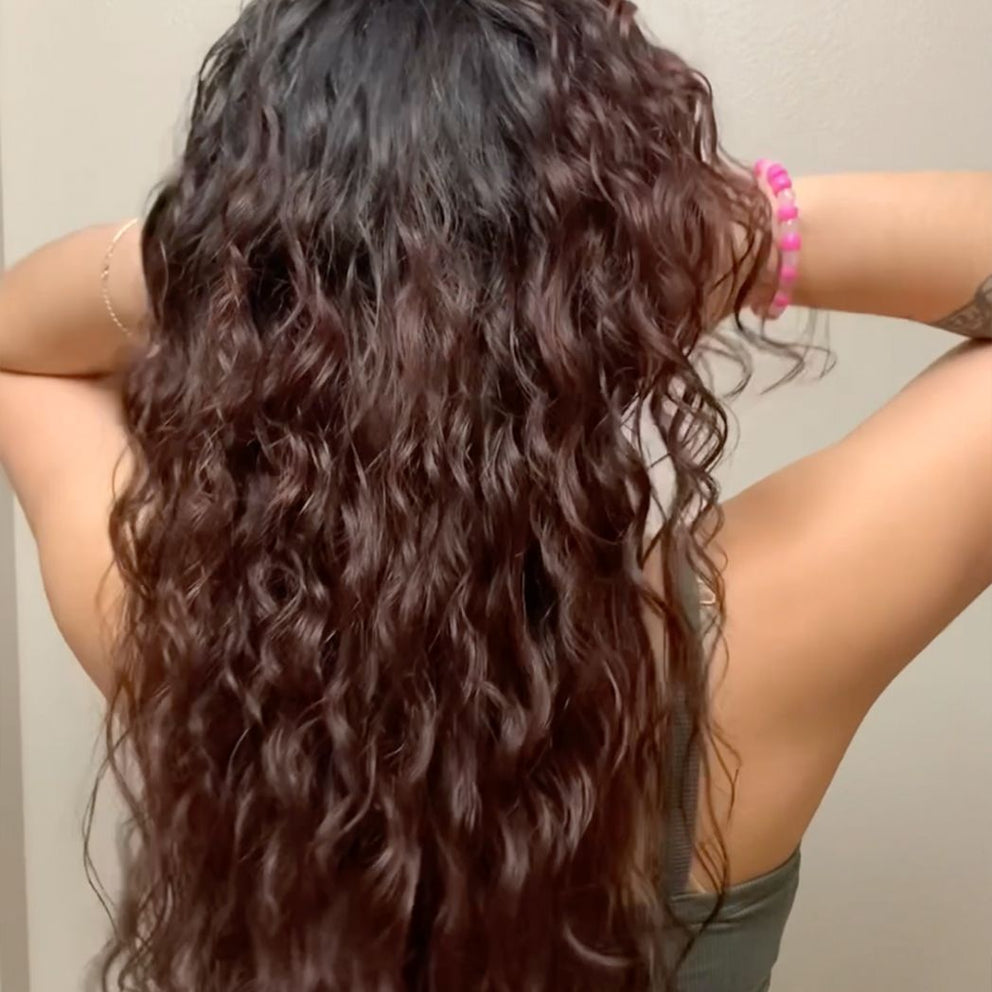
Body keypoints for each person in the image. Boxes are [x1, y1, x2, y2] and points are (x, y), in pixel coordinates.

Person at [0, 1, 989, 990]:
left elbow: (18, 349)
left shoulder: (187, 632)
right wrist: (717, 234)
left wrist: (241, 265)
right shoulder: (736, 655)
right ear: (578, 303)